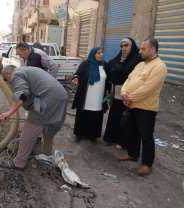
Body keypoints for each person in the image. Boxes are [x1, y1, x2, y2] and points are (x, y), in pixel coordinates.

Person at [0, 66, 67, 169]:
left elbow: (23, 95)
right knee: (49, 128)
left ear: (7, 75)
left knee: (29, 131)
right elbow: (31, 95)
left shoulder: (17, 75)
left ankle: (19, 163)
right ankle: (46, 155)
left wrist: (9, 113)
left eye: (7, 81)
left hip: (47, 98)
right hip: (61, 96)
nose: (9, 84)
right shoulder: (28, 70)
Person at [119, 38, 167, 176]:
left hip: (147, 108)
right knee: (132, 131)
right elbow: (129, 79)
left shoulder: (160, 66)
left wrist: (129, 98)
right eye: (140, 48)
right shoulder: (140, 65)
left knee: (146, 136)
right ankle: (133, 154)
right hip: (132, 105)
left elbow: (149, 88)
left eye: (143, 49)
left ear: (153, 49)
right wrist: (123, 93)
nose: (140, 51)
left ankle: (147, 164)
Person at [103, 38, 141, 148]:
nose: (123, 48)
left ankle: (123, 141)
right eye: (122, 46)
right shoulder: (118, 59)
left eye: (126, 45)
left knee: (126, 118)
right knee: (114, 115)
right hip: (116, 92)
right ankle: (111, 138)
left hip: (129, 94)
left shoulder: (137, 60)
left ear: (132, 46)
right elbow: (110, 66)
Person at [72, 47, 109, 142]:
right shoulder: (85, 64)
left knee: (96, 115)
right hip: (87, 95)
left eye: (102, 53)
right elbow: (77, 74)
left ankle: (92, 135)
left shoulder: (104, 65)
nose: (101, 55)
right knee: (83, 114)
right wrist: (76, 78)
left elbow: (109, 79)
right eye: (98, 53)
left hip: (99, 96)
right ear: (93, 54)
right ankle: (79, 134)